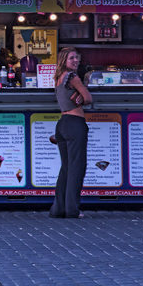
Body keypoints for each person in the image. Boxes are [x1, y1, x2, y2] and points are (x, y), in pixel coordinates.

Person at [49, 47, 92, 219]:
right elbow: (88, 98)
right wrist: (82, 97)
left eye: (77, 57)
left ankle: (57, 209)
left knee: (66, 168)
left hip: (62, 124)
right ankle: (72, 210)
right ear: (64, 61)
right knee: (77, 168)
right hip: (75, 123)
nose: (76, 60)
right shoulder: (73, 77)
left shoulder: (58, 78)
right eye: (71, 58)